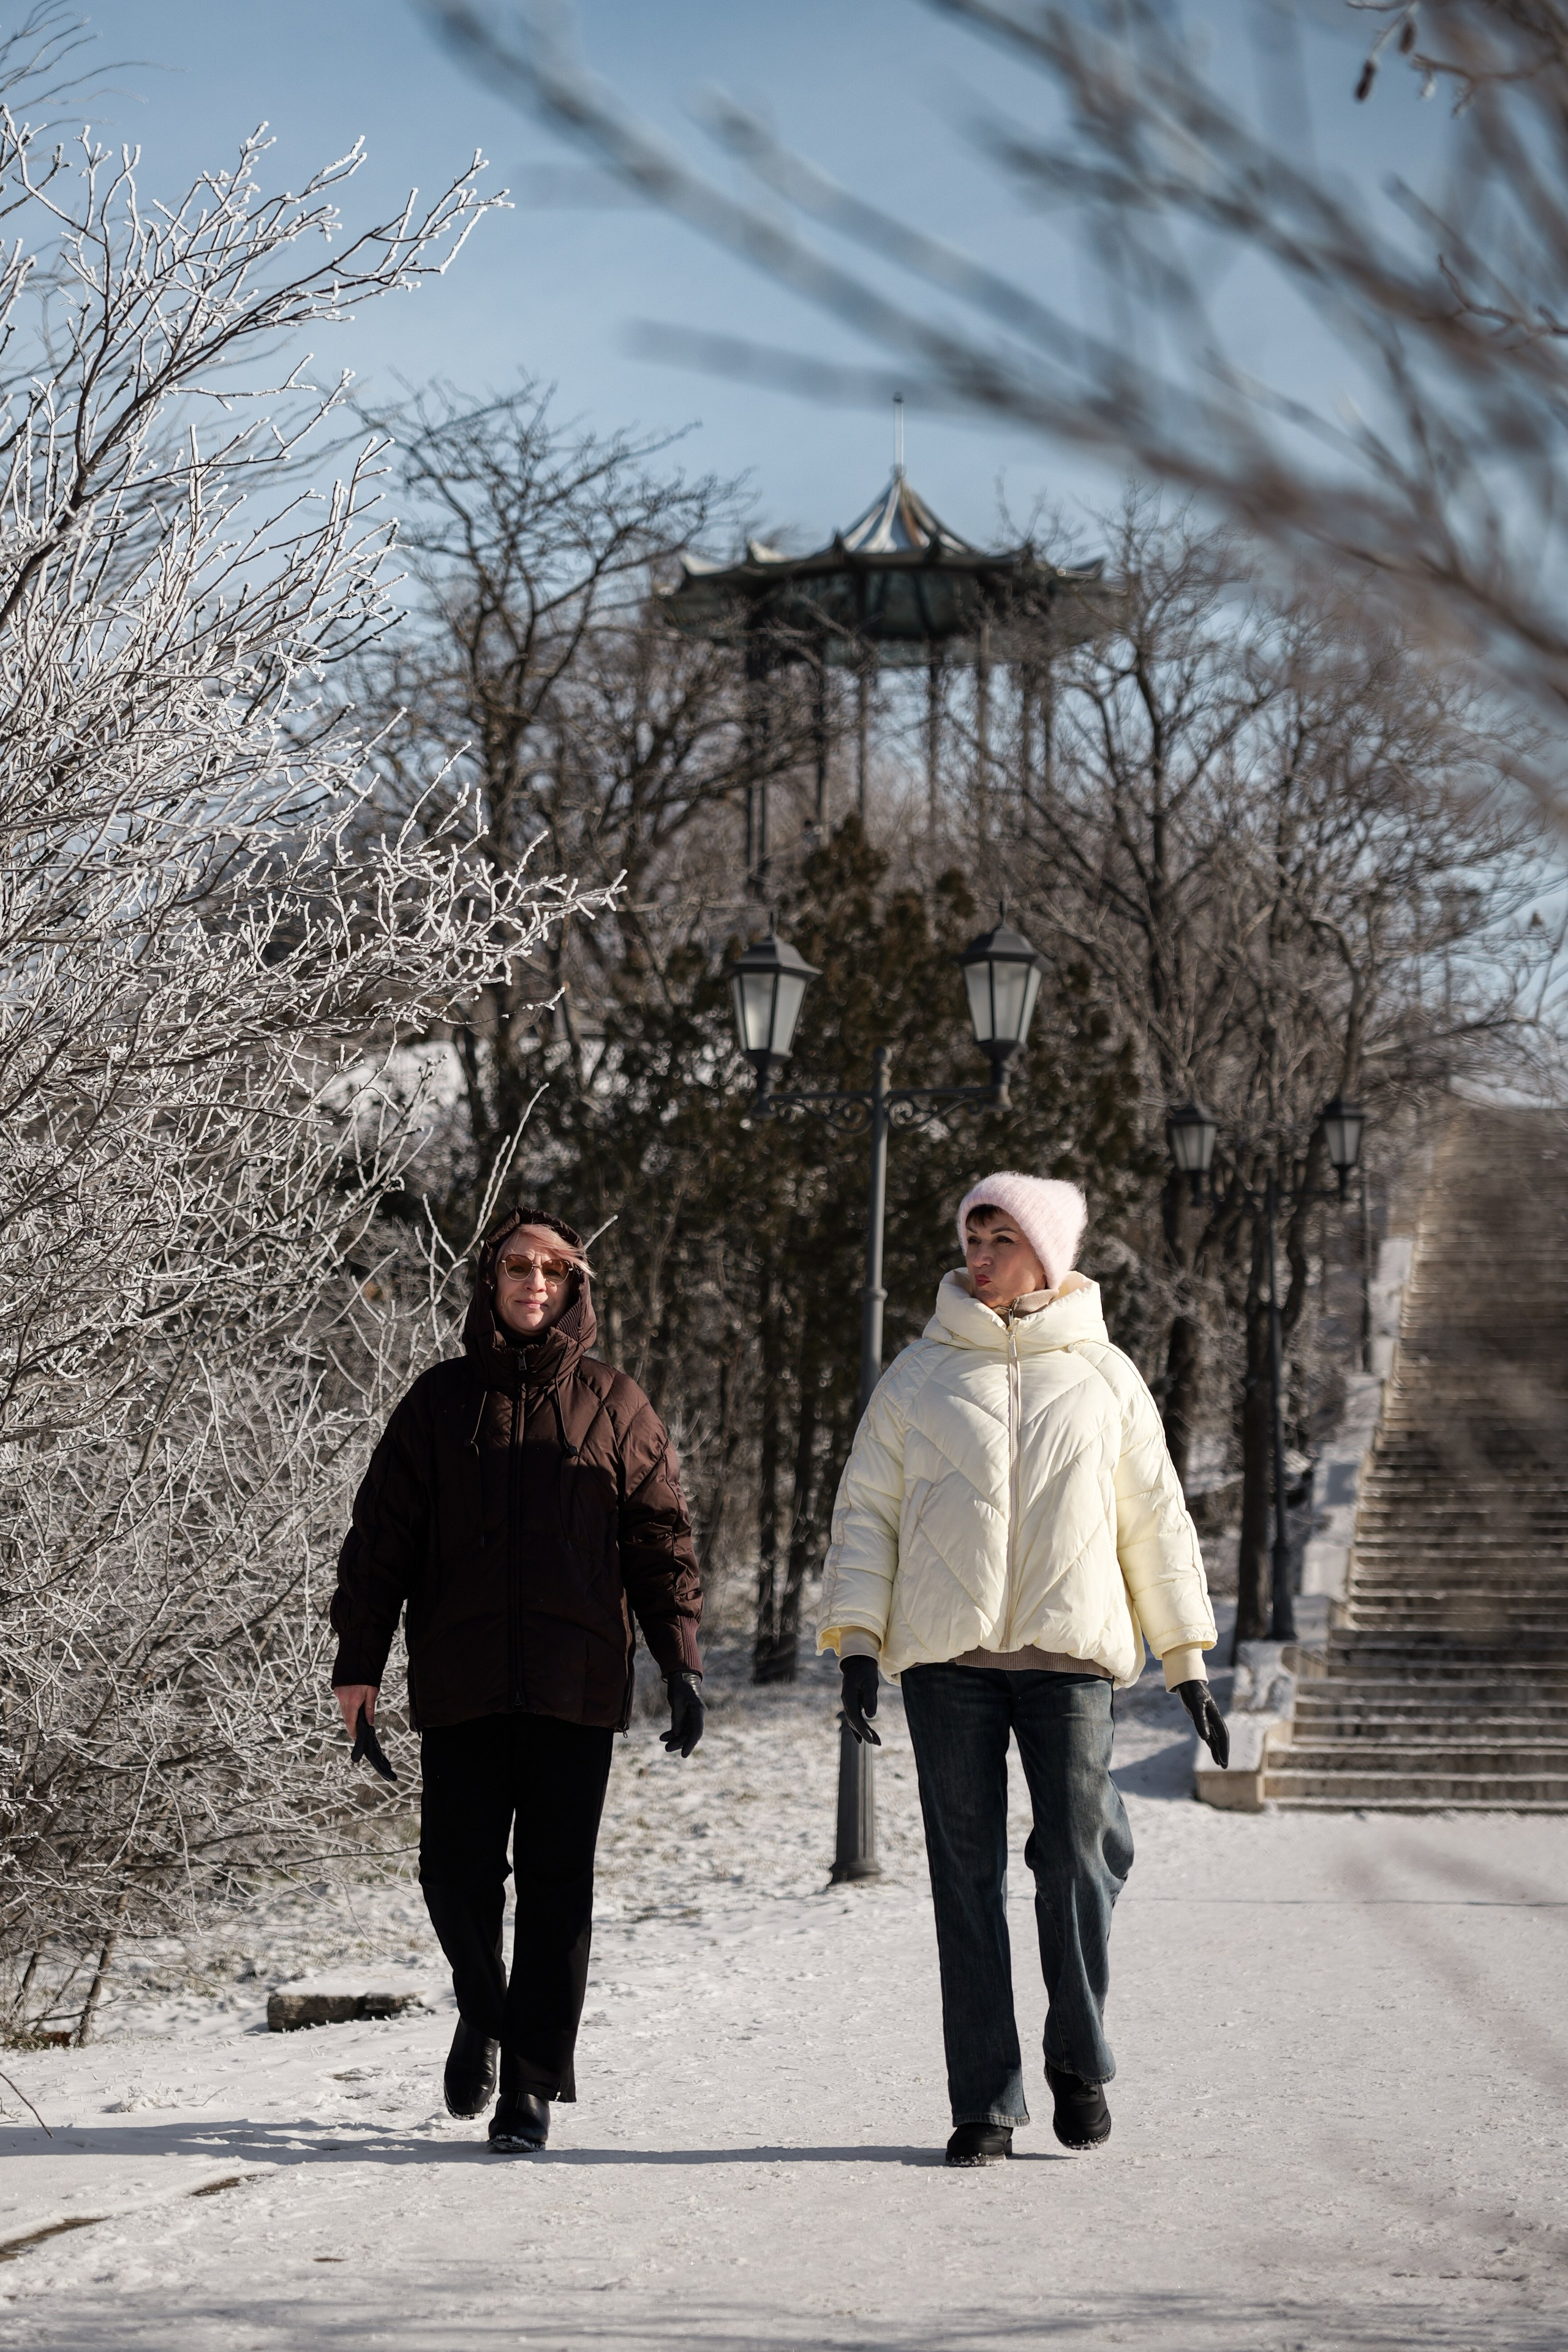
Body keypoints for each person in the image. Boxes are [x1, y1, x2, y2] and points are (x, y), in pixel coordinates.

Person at [817, 1171, 1228, 2168]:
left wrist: (1186, 1659)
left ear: (1049, 1251)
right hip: (948, 1661)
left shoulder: (1107, 1377)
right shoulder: (919, 1375)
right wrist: (859, 1643)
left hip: (1072, 1657)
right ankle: (985, 2104)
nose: (982, 1252)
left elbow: (1155, 1524)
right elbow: (866, 1514)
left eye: (1003, 1235)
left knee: (1080, 1854)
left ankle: (1077, 2057)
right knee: (966, 1880)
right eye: (974, 1233)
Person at [329, 1208, 704, 2152]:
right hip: (463, 1684)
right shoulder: (437, 1405)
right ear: (490, 1280)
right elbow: (381, 1544)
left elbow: (660, 1544)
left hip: (577, 1688)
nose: (534, 1282)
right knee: (454, 1880)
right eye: (517, 1267)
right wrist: (358, 1667)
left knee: (555, 1891)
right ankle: (485, 2008)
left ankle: (531, 2086)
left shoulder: (618, 1404)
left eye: (554, 1268)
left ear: (576, 1285)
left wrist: (681, 1663)